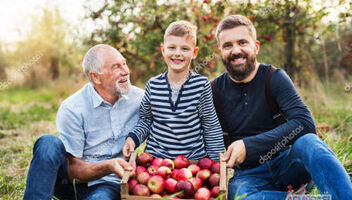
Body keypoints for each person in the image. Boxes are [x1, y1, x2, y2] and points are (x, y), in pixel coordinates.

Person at [213, 15, 352, 200]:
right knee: (238, 195)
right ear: (220, 50)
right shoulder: (213, 90)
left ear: (256, 46)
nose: (236, 50)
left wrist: (248, 146)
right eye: (228, 45)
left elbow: (305, 123)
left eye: (242, 42)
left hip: (288, 164)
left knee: (310, 142)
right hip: (249, 176)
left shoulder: (274, 77)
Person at [23, 44, 144, 200]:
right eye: (116, 67)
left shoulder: (140, 99)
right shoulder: (73, 108)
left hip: (108, 184)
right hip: (71, 182)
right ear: (96, 77)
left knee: (101, 197)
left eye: (124, 63)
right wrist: (108, 166)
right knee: (48, 143)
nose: (126, 71)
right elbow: (73, 170)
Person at [122, 21, 225, 161]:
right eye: (172, 47)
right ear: (163, 50)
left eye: (184, 48)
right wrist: (132, 139)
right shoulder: (153, 85)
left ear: (194, 53)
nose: (177, 53)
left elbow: (210, 124)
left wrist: (217, 163)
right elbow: (146, 121)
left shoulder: (201, 85)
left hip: (193, 162)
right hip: (156, 161)